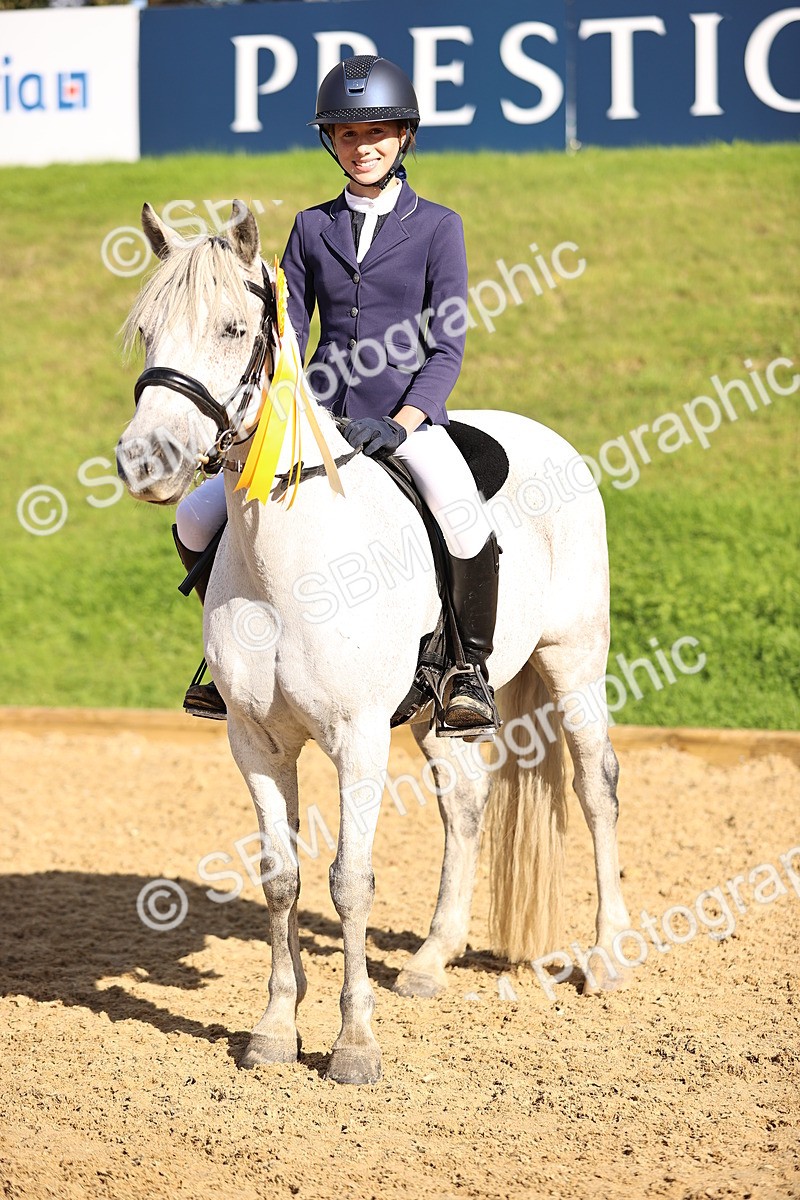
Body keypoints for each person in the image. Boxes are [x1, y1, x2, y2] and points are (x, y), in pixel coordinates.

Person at [174, 55, 500, 735]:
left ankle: (467, 669)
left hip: (404, 416)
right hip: (313, 418)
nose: (364, 147)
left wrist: (405, 424)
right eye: (349, 135)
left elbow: (447, 348)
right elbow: (289, 328)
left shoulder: (440, 227)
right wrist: (281, 404)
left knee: (464, 517)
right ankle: (229, 656)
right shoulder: (312, 227)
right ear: (332, 141)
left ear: (404, 136)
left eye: (378, 132)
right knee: (196, 518)